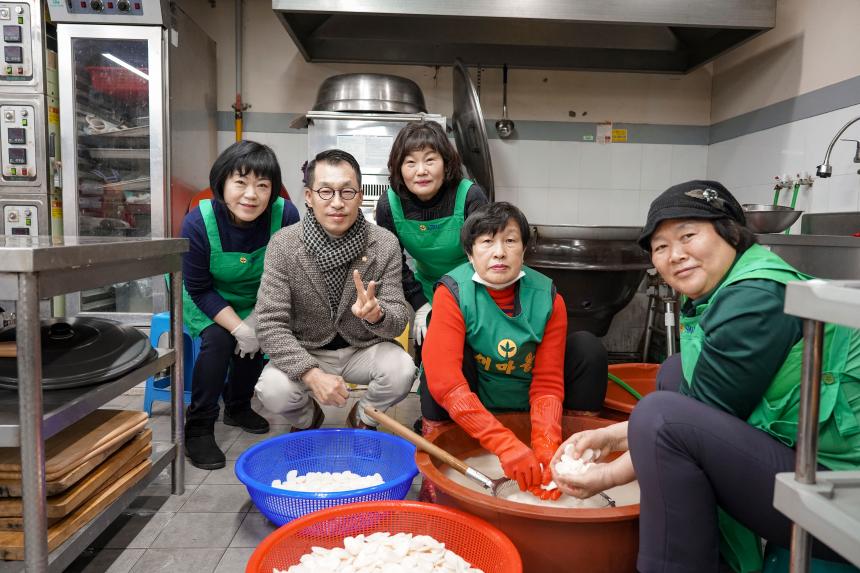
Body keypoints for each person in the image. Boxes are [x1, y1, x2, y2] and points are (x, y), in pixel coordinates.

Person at [551, 180, 860, 573]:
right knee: (674, 374)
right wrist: (609, 437)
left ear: (731, 233)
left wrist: (608, 474)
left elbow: (680, 421)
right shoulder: (730, 286)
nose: (676, 255)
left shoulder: (754, 298)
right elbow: (703, 399)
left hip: (840, 494)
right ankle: (715, 555)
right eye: (661, 247)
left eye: (688, 236)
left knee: (660, 417)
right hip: (807, 460)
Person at [421, 202, 608, 499]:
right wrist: (504, 444)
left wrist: (547, 445)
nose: (499, 252)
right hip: (476, 399)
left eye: (510, 240)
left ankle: (574, 454)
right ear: (470, 253)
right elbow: (447, 384)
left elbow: (547, 382)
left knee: (588, 349)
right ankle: (436, 471)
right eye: (486, 242)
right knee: (435, 371)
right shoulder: (452, 293)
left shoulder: (549, 298)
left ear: (524, 249)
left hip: (528, 401)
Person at [254, 149, 416, 431]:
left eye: (347, 192)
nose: (337, 203)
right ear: (309, 197)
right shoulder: (283, 245)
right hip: (308, 348)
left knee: (402, 371)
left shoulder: (384, 243)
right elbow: (269, 324)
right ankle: (307, 419)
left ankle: (364, 417)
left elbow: (399, 316)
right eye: (326, 192)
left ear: (360, 196)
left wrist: (378, 315)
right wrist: (310, 373)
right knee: (272, 389)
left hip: (363, 348)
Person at [181, 140, 300, 470]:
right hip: (207, 296)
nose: (251, 195)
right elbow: (199, 288)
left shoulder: (286, 215)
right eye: (241, 182)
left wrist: (256, 321)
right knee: (220, 340)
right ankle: (199, 426)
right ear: (222, 183)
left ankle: (237, 406)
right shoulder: (197, 222)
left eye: (262, 185)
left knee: (260, 336)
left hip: (258, 297)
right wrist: (238, 327)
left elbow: (287, 277)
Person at [375, 120, 489, 348]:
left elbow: (486, 253)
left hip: (473, 288)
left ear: (446, 164)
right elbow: (392, 262)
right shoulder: (389, 205)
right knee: (430, 354)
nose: (421, 171)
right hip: (427, 290)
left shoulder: (470, 196)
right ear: (399, 168)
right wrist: (420, 304)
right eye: (410, 162)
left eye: (430, 160)